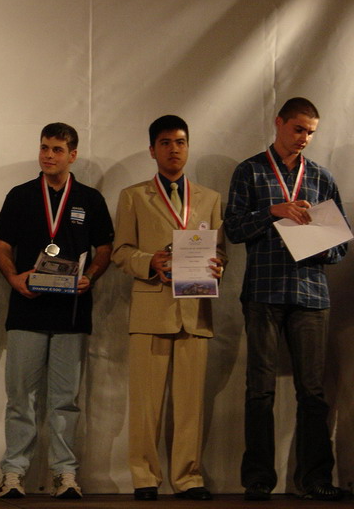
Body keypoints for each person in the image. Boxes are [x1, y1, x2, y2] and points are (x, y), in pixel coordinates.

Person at [225, 98, 346, 502]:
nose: (304, 138)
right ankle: (258, 479)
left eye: (310, 132)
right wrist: (273, 212)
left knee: (312, 391)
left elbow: (341, 247)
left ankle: (314, 478)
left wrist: (322, 242)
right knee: (259, 390)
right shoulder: (250, 171)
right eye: (298, 129)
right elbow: (234, 228)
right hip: (263, 292)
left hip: (310, 294)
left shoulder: (322, 177)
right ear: (279, 123)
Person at [0, 122, 113, 500]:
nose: (48, 155)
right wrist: (13, 278)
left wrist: (91, 276)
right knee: (20, 397)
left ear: (72, 155)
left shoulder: (90, 199)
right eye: (44, 148)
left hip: (70, 312)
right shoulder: (20, 196)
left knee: (65, 399)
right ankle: (14, 473)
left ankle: (65, 473)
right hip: (26, 308)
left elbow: (105, 249)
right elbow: (2, 246)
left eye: (57, 150)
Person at [112, 115, 224, 501]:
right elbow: (121, 251)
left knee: (191, 404)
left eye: (180, 142)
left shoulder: (209, 198)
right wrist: (150, 261)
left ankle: (188, 478)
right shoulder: (132, 196)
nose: (173, 149)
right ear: (152, 150)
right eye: (165, 143)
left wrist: (218, 266)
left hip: (195, 309)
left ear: (188, 147)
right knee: (146, 403)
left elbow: (219, 250)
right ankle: (144, 477)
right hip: (151, 308)